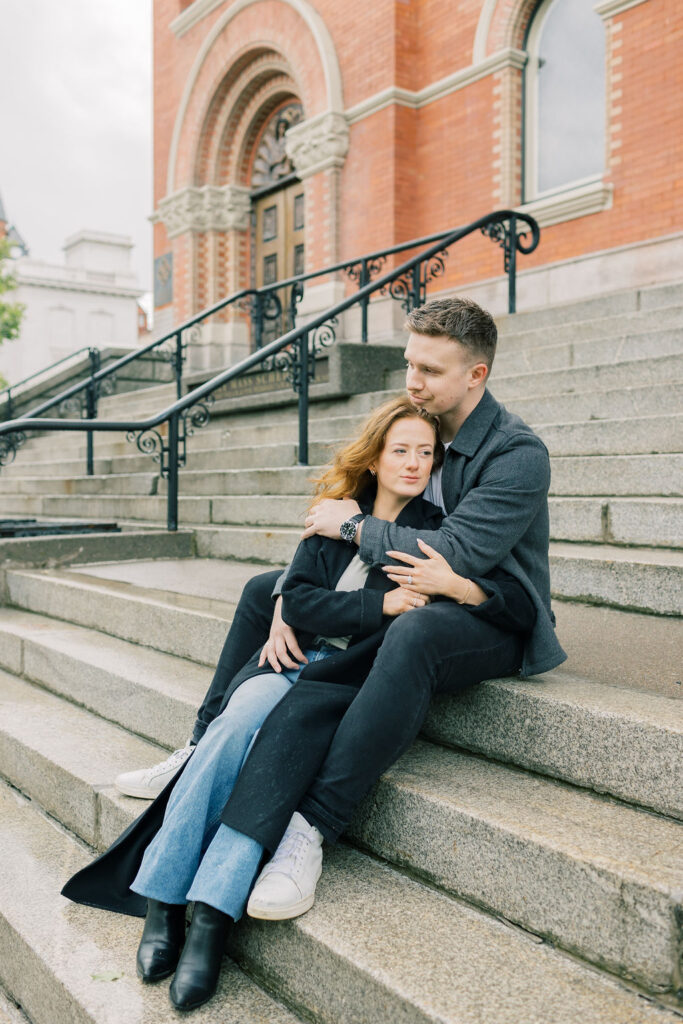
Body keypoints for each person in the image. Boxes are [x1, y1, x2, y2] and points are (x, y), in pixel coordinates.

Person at [63, 395, 530, 1012]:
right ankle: (162, 900)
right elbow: (301, 595)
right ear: (376, 457)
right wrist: (373, 605)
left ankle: (210, 917)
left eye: (426, 452)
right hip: (286, 663)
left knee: (272, 752)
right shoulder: (334, 515)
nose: (414, 462)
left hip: (338, 683)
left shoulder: (428, 536)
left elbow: (500, 604)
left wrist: (373, 608)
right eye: (401, 450)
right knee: (230, 730)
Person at [115, 296, 565, 807]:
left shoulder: (516, 454)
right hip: (411, 588)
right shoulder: (419, 425)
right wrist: (290, 591)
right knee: (263, 590)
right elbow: (342, 503)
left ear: (475, 375)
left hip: (490, 611)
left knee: (417, 629)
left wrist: (352, 526)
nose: (412, 381)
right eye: (410, 364)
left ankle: (318, 813)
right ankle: (199, 747)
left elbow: (451, 552)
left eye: (430, 370)